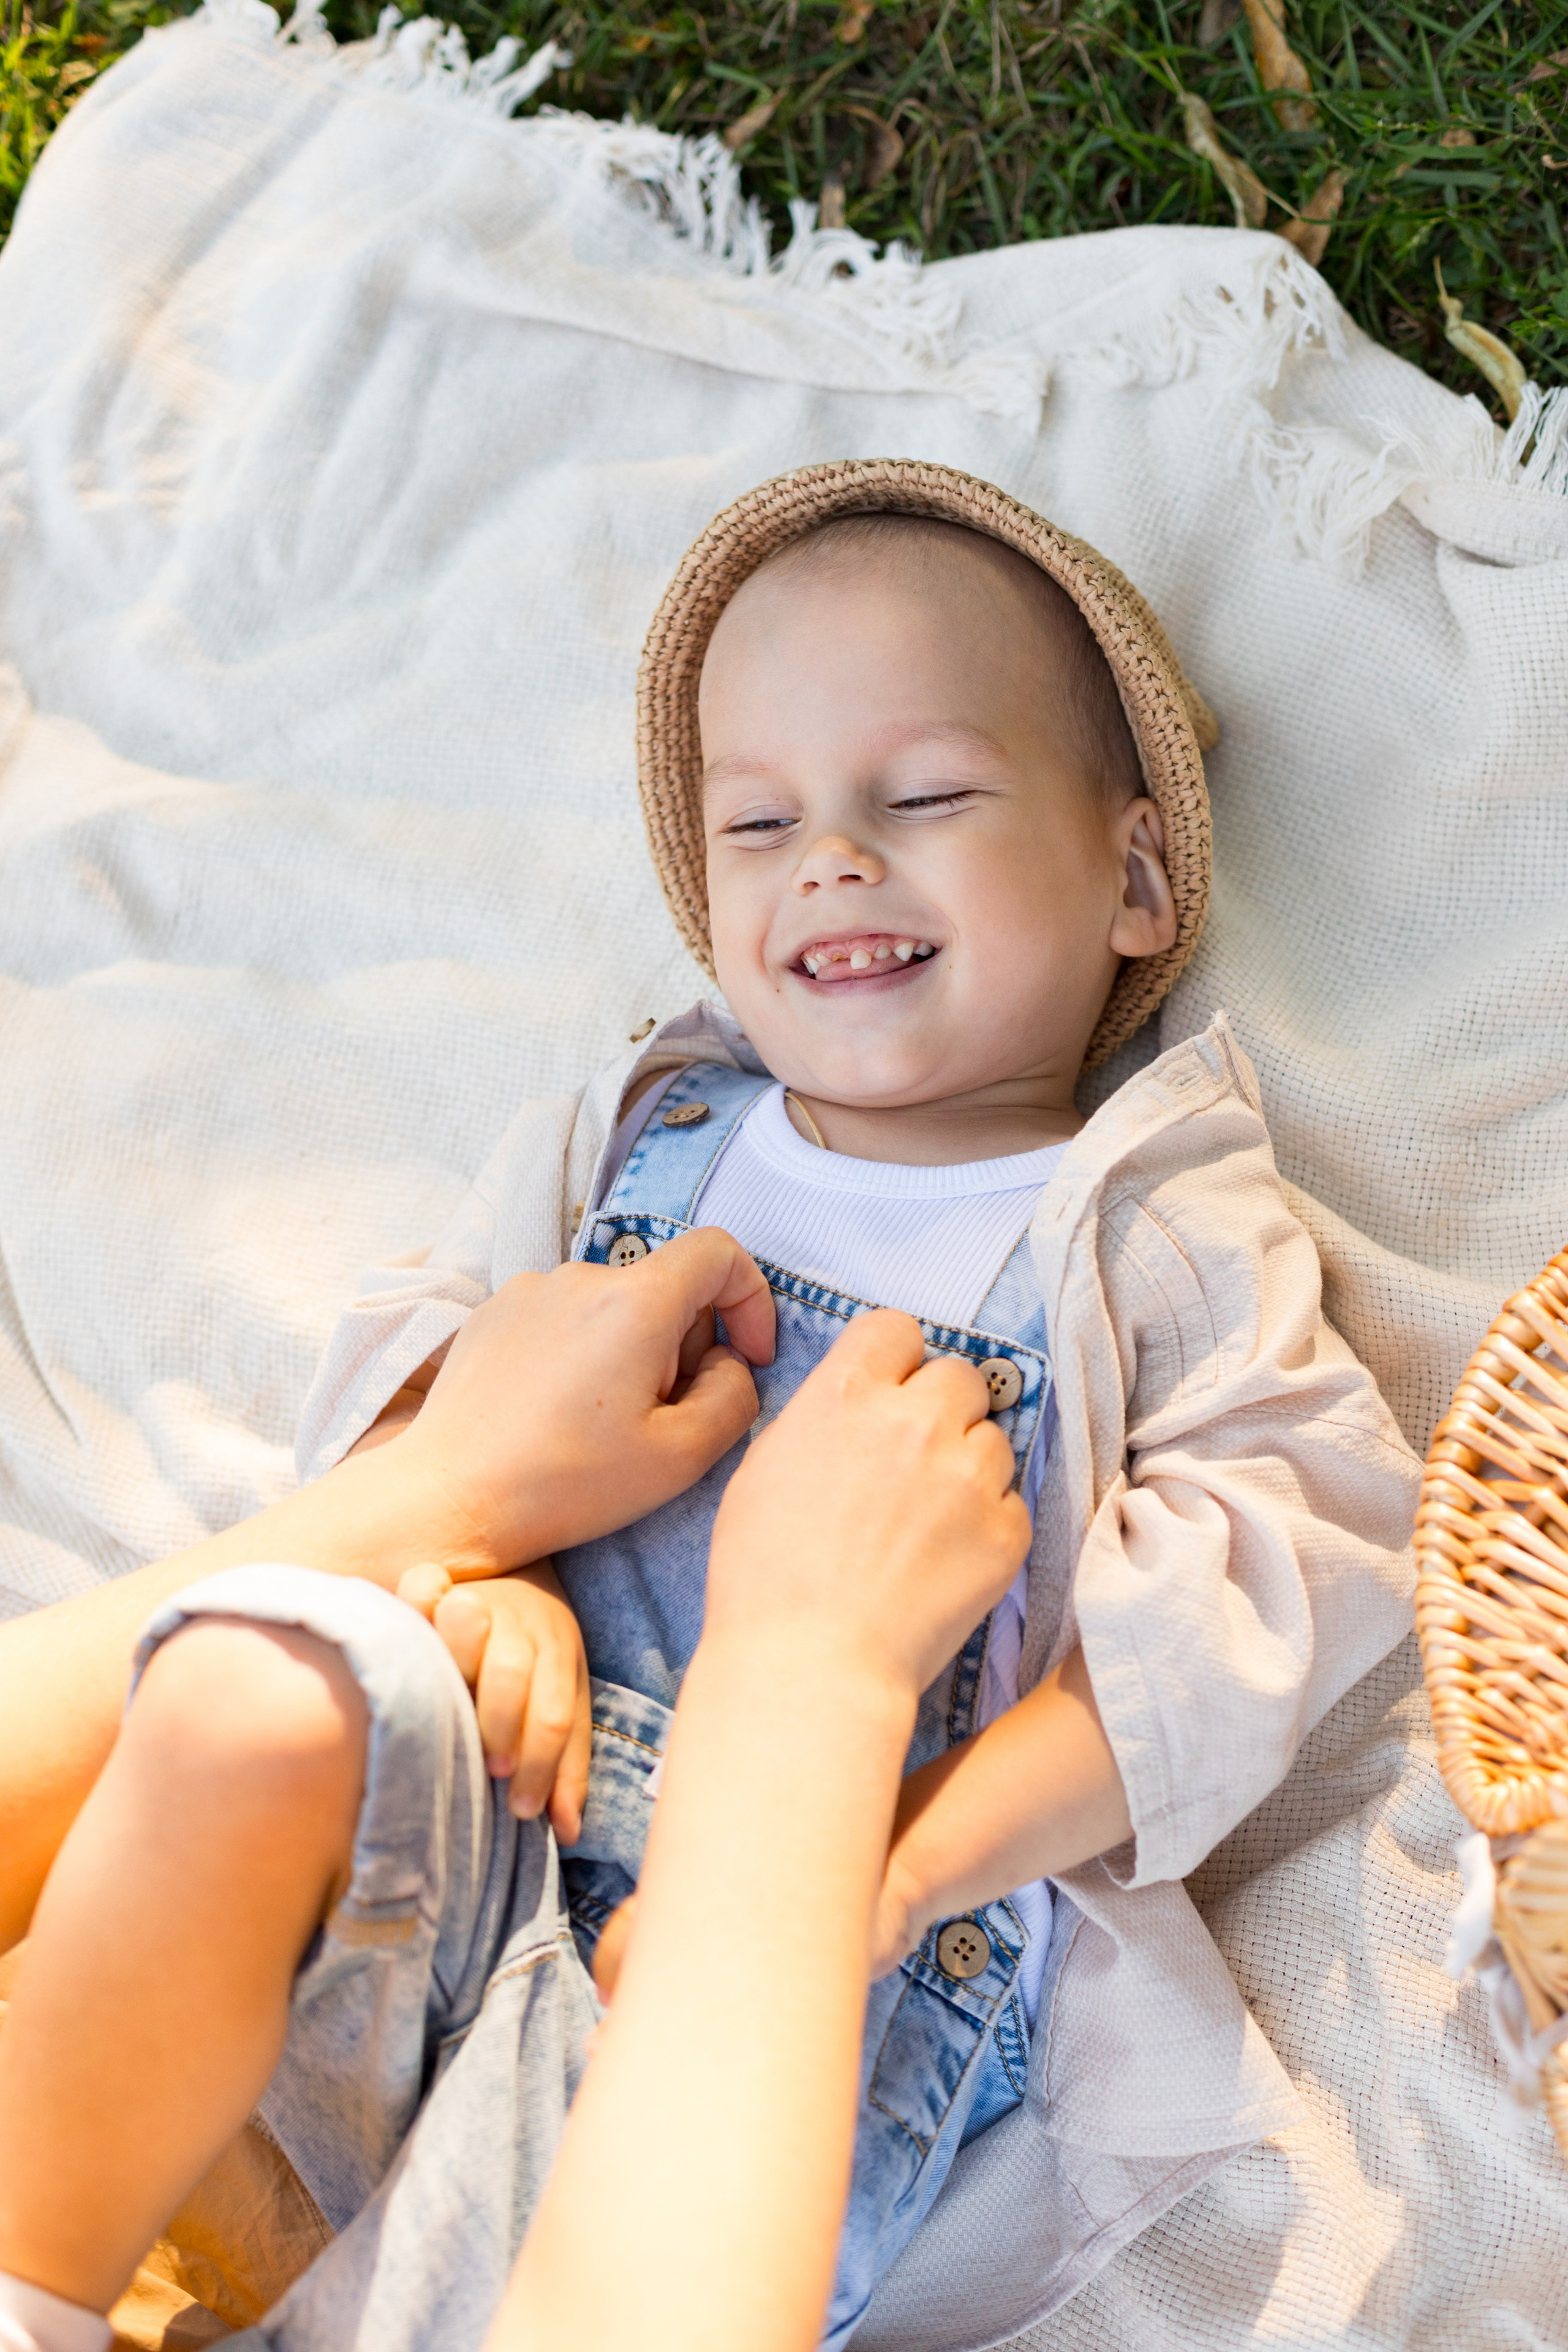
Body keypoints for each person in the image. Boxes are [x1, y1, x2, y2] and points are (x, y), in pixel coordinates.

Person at [2, 458, 1420, 2350]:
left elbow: (1272, 1572)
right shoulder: (652, 1127)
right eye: (757, 824)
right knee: (249, 1683)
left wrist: (903, 1866)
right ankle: (67, 2237)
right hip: (492, 1812)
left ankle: (349, 2272)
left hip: (849, 1938)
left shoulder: (1145, 1219)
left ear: (1139, 880)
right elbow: (439, 1377)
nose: (830, 857)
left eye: (921, 796)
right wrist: (480, 1577)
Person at [0, 1232, 1022, 2352]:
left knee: (256, 1690)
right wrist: (816, 1671)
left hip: (488, 1868)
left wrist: (475, 1529)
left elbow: (416, 1366)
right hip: (741, 2050)